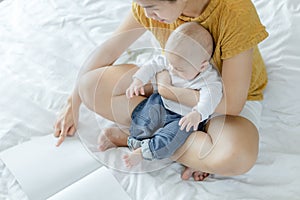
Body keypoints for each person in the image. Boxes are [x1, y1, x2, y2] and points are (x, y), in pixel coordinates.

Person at [54, 0, 268, 181]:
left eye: (152, 6)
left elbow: (231, 103)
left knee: (236, 156)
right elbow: (109, 50)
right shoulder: (149, 8)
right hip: (170, 80)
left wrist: (167, 90)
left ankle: (136, 138)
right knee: (89, 86)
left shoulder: (234, 11)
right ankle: (184, 146)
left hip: (221, 101)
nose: (147, 14)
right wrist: (73, 103)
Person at [118, 22, 222, 168]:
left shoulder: (210, 80)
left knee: (172, 137)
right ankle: (135, 140)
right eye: (170, 64)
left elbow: (210, 98)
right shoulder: (174, 59)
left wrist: (198, 114)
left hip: (184, 117)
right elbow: (153, 64)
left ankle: (145, 152)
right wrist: (138, 80)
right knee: (145, 115)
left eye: (178, 69)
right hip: (162, 102)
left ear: (202, 66)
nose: (171, 70)